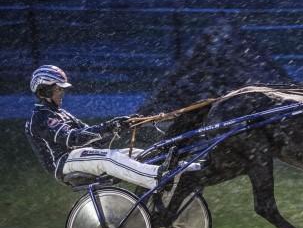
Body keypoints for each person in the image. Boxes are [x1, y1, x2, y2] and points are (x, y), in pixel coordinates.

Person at [24, 65, 197, 189]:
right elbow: (74, 139)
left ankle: (184, 168)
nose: (62, 93)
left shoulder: (61, 113)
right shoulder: (41, 117)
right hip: (63, 162)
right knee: (109, 158)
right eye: (58, 89)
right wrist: (110, 126)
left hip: (77, 156)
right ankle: (156, 177)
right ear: (44, 90)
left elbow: (91, 136)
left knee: (139, 153)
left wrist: (121, 125)